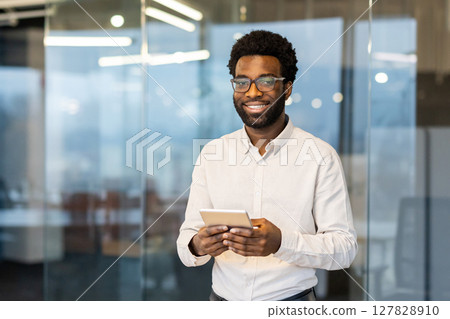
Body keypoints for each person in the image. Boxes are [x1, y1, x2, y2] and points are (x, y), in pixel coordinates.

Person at [176, 30, 357, 301]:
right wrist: (198, 245)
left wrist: (281, 243)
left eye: (266, 81)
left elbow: (344, 249)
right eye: (242, 82)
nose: (252, 93)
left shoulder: (320, 156)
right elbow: (186, 240)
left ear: (287, 87)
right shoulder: (212, 154)